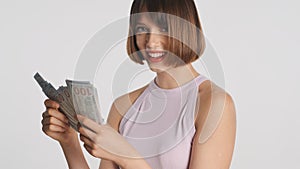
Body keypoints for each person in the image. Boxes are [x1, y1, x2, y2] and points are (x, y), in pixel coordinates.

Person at [41, 0, 236, 168]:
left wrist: (127, 158)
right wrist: (69, 143)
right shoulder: (123, 107)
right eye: (142, 29)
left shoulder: (215, 105)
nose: (151, 41)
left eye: (163, 28)